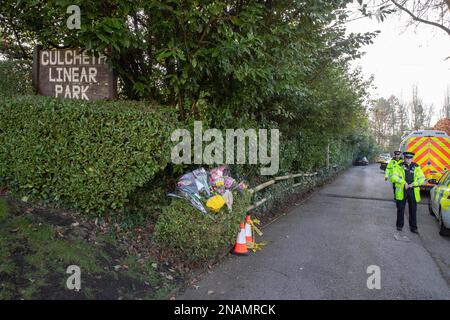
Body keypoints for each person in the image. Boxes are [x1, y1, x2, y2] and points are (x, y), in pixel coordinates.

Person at [390, 152, 425, 233]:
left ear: (412, 159)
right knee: (400, 209)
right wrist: (404, 183)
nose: (408, 159)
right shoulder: (399, 166)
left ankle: (413, 228)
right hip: (402, 190)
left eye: (410, 158)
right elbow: (393, 177)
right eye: (406, 158)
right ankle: (399, 225)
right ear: (404, 158)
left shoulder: (416, 167)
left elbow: (422, 179)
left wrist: (413, 184)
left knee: (413, 210)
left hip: (413, 191)